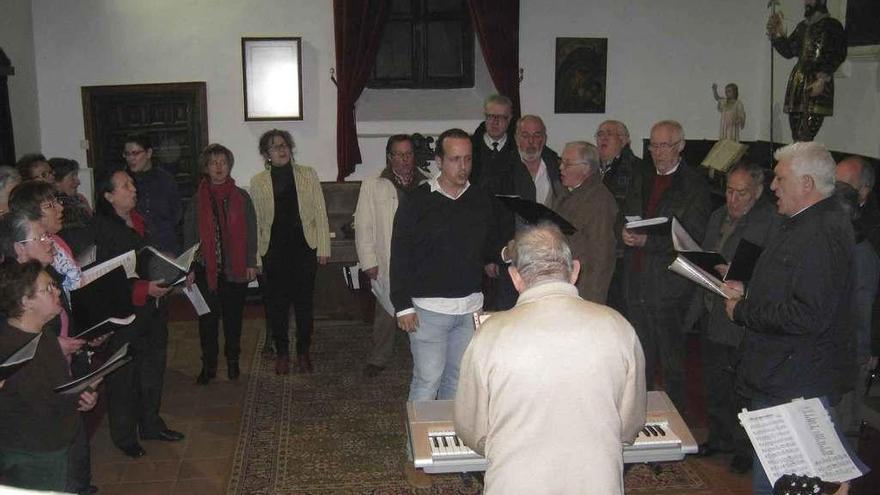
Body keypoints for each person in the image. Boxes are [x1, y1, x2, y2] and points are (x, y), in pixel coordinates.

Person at [454, 222, 646, 495]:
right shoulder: (619, 327)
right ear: (575, 271)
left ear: (515, 277)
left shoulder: (490, 335)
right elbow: (629, 426)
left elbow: (471, 428)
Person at [723, 141, 854, 495]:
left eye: (780, 179)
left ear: (806, 184)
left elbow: (809, 314)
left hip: (794, 382)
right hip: (780, 373)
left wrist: (744, 310)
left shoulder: (821, 233)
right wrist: (748, 288)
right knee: (778, 478)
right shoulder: (803, 223)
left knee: (784, 483)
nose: (774, 187)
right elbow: (788, 288)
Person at [390, 128, 495, 401]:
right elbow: (400, 254)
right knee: (427, 381)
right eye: (455, 159)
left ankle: (448, 442)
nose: (463, 167)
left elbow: (489, 248)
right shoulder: (418, 200)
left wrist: (509, 251)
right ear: (439, 161)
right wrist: (402, 305)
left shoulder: (480, 199)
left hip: (470, 307)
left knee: (458, 380)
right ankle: (416, 445)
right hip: (429, 309)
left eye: (468, 160)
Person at [693, 161, 782, 474]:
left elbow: (774, 272)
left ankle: (745, 448)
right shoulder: (718, 215)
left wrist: (737, 271)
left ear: (757, 193)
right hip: (711, 308)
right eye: (729, 191)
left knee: (740, 387)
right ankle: (719, 437)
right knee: (715, 381)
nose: (733, 199)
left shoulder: (769, 222)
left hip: (741, 315)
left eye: (742, 193)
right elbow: (706, 252)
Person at [92, 169, 184, 458]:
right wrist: (144, 288)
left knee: (152, 370)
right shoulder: (103, 229)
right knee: (123, 376)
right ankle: (124, 435)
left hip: (151, 310)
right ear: (108, 196)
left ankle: (151, 424)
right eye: (124, 186)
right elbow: (106, 278)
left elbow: (147, 258)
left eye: (132, 184)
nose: (133, 189)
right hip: (124, 314)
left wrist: (174, 269)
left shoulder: (139, 220)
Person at [621, 120, 712, 411]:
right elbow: (623, 214)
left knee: (673, 365)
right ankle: (643, 420)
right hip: (636, 281)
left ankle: (677, 426)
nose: (658, 153)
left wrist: (649, 243)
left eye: (664, 146)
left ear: (681, 146)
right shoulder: (641, 175)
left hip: (669, 287)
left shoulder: (694, 185)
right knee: (640, 361)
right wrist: (620, 231)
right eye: (653, 146)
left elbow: (691, 237)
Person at [0, 260, 99, 492]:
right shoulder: (9, 348)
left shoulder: (43, 334)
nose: (57, 291)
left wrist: (85, 394)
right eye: (48, 289)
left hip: (60, 440)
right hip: (35, 454)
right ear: (26, 302)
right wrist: (81, 391)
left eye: (54, 285)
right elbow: (38, 404)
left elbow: (60, 385)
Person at [250, 129, 330, 375]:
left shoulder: (308, 174)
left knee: (304, 305)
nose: (282, 149)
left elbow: (320, 212)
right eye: (275, 147)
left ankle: (303, 351)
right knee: (277, 307)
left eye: (284, 145)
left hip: (304, 249)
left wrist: (323, 247)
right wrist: (255, 258)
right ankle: (282, 353)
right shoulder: (257, 182)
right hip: (272, 252)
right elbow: (255, 222)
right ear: (267, 154)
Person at [183, 144, 257, 385]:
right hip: (206, 271)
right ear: (206, 167)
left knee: (234, 319)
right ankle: (209, 365)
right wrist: (189, 268)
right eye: (213, 162)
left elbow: (251, 232)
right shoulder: (196, 201)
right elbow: (190, 238)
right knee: (207, 321)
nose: (218, 167)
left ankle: (233, 361)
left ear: (229, 165)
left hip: (235, 270)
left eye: (223, 162)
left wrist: (250, 262)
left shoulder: (242, 197)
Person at [354, 134, 427, 378]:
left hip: (418, 260)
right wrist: (368, 261)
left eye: (409, 154)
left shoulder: (427, 184)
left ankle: (421, 354)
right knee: (386, 311)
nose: (405, 160)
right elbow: (363, 225)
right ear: (389, 157)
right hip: (388, 258)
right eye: (399, 154)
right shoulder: (373, 184)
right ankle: (379, 357)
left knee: (421, 309)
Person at [489, 115, 562, 310]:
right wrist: (493, 255)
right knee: (511, 312)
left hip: (549, 256)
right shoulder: (500, 169)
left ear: (544, 139)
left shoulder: (556, 165)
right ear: (516, 137)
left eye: (537, 135)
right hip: (513, 254)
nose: (531, 142)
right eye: (525, 135)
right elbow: (490, 215)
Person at [767, 0, 846, 141]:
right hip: (797, 82)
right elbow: (789, 51)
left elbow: (838, 53)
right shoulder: (801, 27)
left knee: (806, 133)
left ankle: (802, 160)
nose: (806, 2)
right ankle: (797, 160)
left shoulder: (832, 26)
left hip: (816, 80)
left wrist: (822, 78)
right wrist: (777, 34)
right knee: (796, 133)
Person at [552, 141, 618, 303]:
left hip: (584, 290)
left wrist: (591, 301)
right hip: (563, 283)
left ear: (586, 169)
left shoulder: (599, 201)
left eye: (567, 163)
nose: (561, 167)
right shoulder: (566, 193)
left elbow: (601, 256)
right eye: (561, 161)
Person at [595, 119, 643, 314]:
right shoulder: (593, 168)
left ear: (624, 141)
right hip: (597, 250)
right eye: (599, 134)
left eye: (609, 134)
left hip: (620, 254)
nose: (602, 138)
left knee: (616, 310)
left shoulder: (636, 170)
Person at [123, 133, 182, 255]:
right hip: (134, 249)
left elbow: (177, 218)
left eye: (135, 153)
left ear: (149, 153)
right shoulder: (122, 182)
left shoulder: (165, 180)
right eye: (127, 154)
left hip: (166, 248)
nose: (130, 159)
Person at [470, 94, 516, 190]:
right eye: (491, 116)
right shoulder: (469, 147)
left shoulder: (519, 147)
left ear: (510, 118)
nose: (495, 122)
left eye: (501, 117)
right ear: (485, 116)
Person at [836, 156, 880, 254]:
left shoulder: (873, 231)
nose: (834, 191)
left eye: (842, 186)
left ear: (864, 191)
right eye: (832, 183)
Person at [49, 158, 93, 256]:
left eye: (76, 176)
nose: (78, 182)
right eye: (72, 177)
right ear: (56, 182)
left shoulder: (80, 199)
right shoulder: (52, 207)